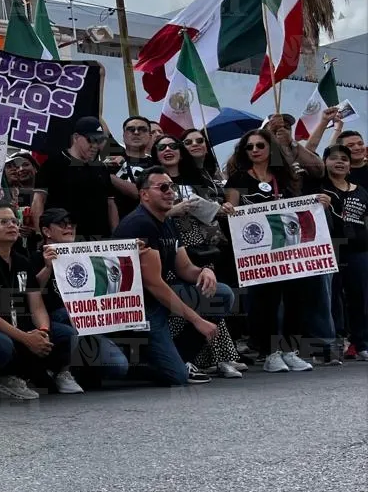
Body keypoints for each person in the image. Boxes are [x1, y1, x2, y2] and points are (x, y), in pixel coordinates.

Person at [112, 168, 233, 386]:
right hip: (139, 307)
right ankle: (138, 364)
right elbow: (154, 285)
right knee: (176, 377)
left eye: (172, 187)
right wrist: (197, 321)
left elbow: (185, 268)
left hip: (157, 300)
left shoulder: (166, 221)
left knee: (222, 293)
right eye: (163, 187)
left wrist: (204, 271)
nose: (170, 192)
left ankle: (181, 357)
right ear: (144, 194)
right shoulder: (140, 223)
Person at [225, 129, 320, 373]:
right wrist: (226, 207)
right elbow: (231, 211)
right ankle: (269, 353)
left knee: (294, 298)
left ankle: (290, 350)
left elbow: (295, 207)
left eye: (260, 145)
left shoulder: (284, 176)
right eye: (249, 147)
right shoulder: (238, 179)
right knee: (264, 302)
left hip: (287, 249)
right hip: (257, 252)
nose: (255, 150)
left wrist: (317, 199)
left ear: (270, 149)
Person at [153, 136, 245, 377]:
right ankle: (188, 356)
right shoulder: (152, 181)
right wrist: (174, 210)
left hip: (201, 244)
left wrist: (220, 208)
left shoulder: (196, 178)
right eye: (161, 147)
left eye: (173, 146)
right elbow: (149, 215)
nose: (168, 150)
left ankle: (221, 357)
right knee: (184, 302)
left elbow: (213, 211)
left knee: (211, 294)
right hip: (172, 244)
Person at [0, 202, 79, 400]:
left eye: (14, 220)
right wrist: (26, 338)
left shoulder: (22, 260)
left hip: (24, 328)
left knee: (66, 334)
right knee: (1, 344)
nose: (12, 225)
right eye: (3, 222)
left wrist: (43, 332)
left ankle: (41, 374)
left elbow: (37, 305)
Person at [30, 209, 130, 385]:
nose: (69, 227)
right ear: (46, 231)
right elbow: (31, 293)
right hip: (52, 320)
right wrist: (47, 267)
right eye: (62, 224)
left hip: (85, 322)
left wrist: (133, 250)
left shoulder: (83, 253)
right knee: (67, 316)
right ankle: (60, 369)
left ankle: (79, 369)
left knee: (118, 366)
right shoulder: (36, 257)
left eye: (72, 224)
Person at [318, 144, 368, 362]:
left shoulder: (362, 191)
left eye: (344, 159)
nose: (339, 162)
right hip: (329, 249)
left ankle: (361, 342)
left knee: (359, 297)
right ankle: (335, 341)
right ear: (325, 162)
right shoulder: (319, 188)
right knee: (332, 298)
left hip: (358, 251)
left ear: (350, 166)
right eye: (334, 158)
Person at [31, 116, 120, 238]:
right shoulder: (54, 164)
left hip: (99, 239)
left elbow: (110, 204)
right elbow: (38, 200)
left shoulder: (100, 168)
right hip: (64, 239)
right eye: (91, 140)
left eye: (99, 140)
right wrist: (39, 233)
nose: (95, 145)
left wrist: (116, 235)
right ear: (76, 137)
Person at [111, 116, 157, 218]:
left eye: (142, 129)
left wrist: (108, 175)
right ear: (123, 136)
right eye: (131, 129)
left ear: (150, 136)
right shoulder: (111, 162)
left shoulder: (158, 165)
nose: (136, 132)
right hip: (117, 229)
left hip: (152, 227)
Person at [264, 113, 325, 183]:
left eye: (286, 127)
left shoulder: (299, 152)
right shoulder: (257, 151)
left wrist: (290, 142)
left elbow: (319, 170)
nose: (282, 130)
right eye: (275, 128)